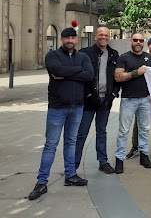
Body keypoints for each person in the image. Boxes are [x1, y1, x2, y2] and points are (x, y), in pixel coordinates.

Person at [28, 24, 94, 200]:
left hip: (77, 106)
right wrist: (77, 71)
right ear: (62, 39)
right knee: (51, 144)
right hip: (58, 107)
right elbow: (56, 70)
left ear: (76, 39)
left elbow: (89, 75)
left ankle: (70, 175)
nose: (70, 41)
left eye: (72, 38)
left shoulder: (83, 56)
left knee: (71, 142)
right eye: (67, 38)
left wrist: (67, 74)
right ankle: (41, 182)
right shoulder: (53, 55)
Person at [75, 27, 120, 175]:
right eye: (101, 35)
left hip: (105, 101)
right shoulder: (84, 53)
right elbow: (79, 75)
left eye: (106, 35)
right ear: (96, 36)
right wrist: (87, 94)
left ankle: (103, 161)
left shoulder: (114, 54)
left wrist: (113, 94)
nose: (103, 37)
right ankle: (73, 164)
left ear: (109, 37)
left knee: (102, 132)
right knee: (82, 133)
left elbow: (117, 77)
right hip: (88, 100)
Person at [114, 32, 151, 173]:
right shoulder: (124, 58)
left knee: (144, 129)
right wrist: (135, 73)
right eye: (135, 40)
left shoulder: (149, 58)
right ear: (131, 41)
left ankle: (144, 155)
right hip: (128, 99)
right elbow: (118, 77)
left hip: (145, 99)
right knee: (123, 131)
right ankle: (119, 159)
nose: (138, 42)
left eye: (140, 40)